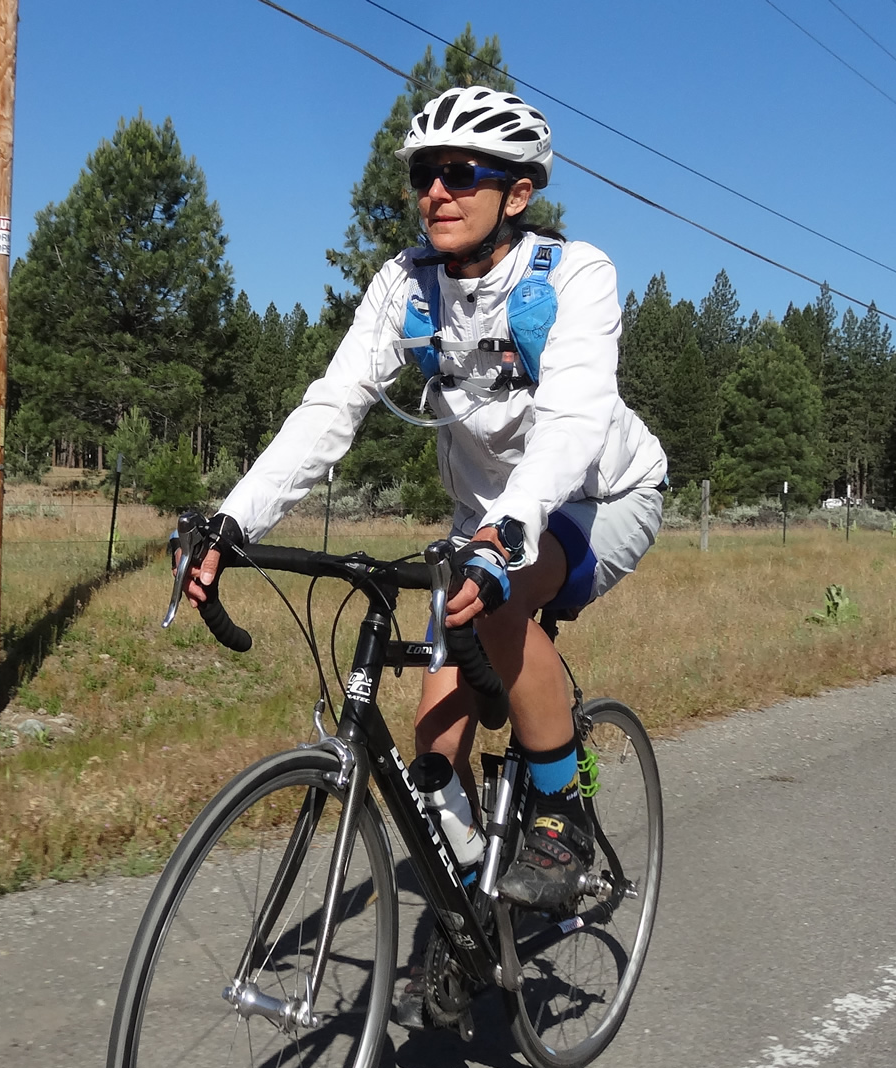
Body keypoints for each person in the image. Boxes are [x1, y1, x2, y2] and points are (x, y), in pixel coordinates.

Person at [180, 85, 667, 910]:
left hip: (598, 496)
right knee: (432, 755)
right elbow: (333, 406)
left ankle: (563, 817)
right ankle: (472, 915)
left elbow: (572, 423)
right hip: (486, 522)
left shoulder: (574, 275)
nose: (436, 192)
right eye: (424, 175)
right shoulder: (406, 284)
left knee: (501, 610)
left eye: (461, 173)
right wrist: (235, 519)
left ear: (518, 192)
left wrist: (505, 534)